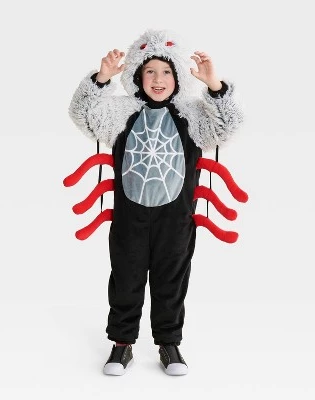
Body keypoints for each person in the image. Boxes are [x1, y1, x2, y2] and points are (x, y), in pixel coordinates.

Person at [68, 29, 244, 376]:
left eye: (166, 71)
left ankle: (169, 343)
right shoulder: (121, 112)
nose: (158, 79)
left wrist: (214, 86)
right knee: (126, 278)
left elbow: (227, 127)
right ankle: (122, 343)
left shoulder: (194, 115)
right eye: (150, 71)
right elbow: (83, 114)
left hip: (176, 219)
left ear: (178, 76)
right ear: (137, 74)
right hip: (129, 217)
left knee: (171, 281)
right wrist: (102, 79)